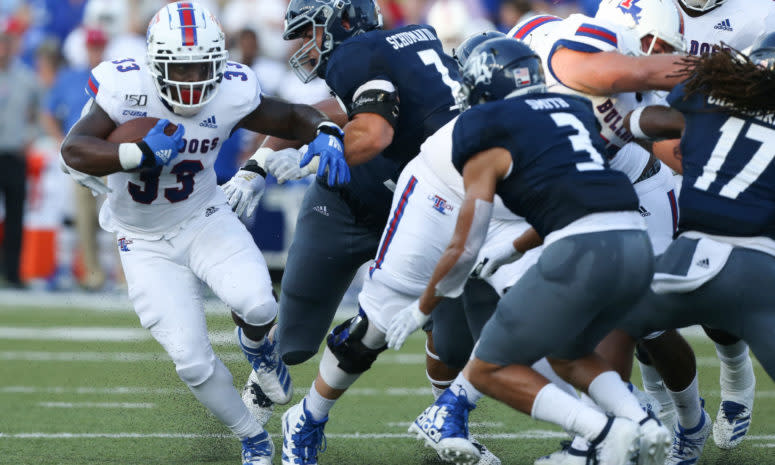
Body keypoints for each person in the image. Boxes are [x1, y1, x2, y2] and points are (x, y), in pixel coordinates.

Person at [59, 2, 348, 464]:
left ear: (220, 64)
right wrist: (135, 153)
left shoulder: (232, 90)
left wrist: (327, 130)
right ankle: (253, 436)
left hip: (203, 217)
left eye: (203, 68)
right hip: (142, 240)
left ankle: (256, 348)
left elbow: (291, 117)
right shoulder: (124, 87)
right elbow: (74, 148)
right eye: (182, 68)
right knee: (192, 361)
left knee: (258, 303)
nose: (193, 80)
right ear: (155, 63)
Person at [388, 36, 668, 465]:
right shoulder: (574, 110)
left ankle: (607, 433)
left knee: (488, 368)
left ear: (482, 83)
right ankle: (645, 424)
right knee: (569, 352)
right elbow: (574, 196)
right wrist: (512, 250)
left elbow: (465, 247)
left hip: (582, 248)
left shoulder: (481, 126)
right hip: (635, 242)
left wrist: (423, 306)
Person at [263, 2, 503, 464]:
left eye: (311, 31)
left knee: (465, 337)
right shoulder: (396, 43)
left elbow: (374, 129)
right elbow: (368, 131)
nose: (305, 44)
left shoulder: (370, 51)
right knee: (375, 325)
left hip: (470, 189)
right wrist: (299, 156)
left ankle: (449, 418)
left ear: (343, 20)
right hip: (435, 192)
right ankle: (308, 417)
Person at [620, 30, 775, 462]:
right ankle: (663, 415)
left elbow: (644, 121)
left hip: (700, 250)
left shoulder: (707, 92)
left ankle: (639, 420)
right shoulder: (706, 92)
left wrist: (622, 125)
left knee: (613, 317)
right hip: (756, 261)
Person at [0, 19, 41, 288]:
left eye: (6, 42)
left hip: (14, 153)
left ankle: (12, 273)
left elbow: (37, 115)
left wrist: (29, 138)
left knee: (15, 216)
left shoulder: (27, 78)